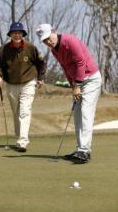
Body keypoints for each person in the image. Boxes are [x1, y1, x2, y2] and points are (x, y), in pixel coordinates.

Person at [36, 24, 102, 164]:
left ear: (54, 32)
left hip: (91, 79)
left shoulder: (70, 41)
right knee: (77, 115)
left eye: (49, 37)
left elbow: (80, 62)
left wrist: (77, 84)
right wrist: (73, 86)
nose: (48, 41)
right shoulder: (55, 51)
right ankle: (80, 149)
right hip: (77, 83)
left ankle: (84, 151)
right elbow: (66, 68)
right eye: (45, 40)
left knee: (85, 113)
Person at [0, 22, 46, 152]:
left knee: (24, 111)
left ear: (22, 34)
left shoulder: (30, 47)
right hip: (11, 84)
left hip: (28, 82)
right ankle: (19, 137)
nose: (17, 35)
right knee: (16, 112)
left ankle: (23, 141)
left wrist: (40, 78)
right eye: (14, 33)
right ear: (10, 34)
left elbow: (41, 63)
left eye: (19, 32)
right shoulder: (4, 49)